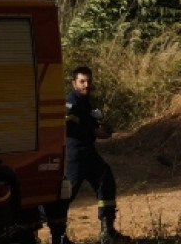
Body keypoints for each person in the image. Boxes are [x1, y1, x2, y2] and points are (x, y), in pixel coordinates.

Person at [42, 66, 126, 244]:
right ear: (74, 83)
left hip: (88, 152)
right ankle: (57, 236)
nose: (86, 85)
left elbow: (92, 124)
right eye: (82, 81)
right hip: (75, 154)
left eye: (88, 81)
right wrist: (94, 131)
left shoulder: (86, 101)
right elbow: (66, 125)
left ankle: (107, 231)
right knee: (66, 194)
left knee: (106, 180)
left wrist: (101, 130)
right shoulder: (71, 101)